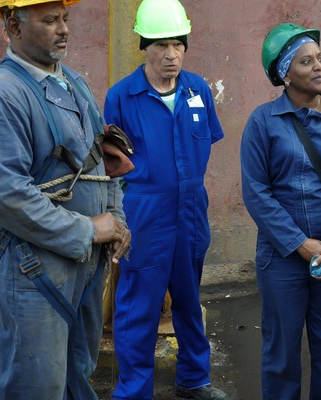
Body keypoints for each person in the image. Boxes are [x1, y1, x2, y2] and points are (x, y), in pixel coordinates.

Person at [0, 0, 132, 398]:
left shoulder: (73, 82)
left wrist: (116, 218)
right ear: (14, 26)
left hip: (83, 267)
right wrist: (88, 229)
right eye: (50, 20)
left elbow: (99, 163)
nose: (64, 30)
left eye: (66, 19)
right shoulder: (0, 96)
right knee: (34, 384)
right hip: (32, 270)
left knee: (76, 377)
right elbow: (3, 195)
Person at [102, 0, 226, 399]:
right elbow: (111, 165)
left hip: (191, 210)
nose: (171, 55)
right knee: (138, 305)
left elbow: (206, 143)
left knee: (190, 302)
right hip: (145, 212)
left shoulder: (198, 90)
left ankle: (194, 379)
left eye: (178, 45)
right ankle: (134, 390)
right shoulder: (122, 96)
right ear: (144, 47)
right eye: (161, 46)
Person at [240, 23, 321, 399]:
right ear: (284, 74)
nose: (319, 67)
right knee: (281, 357)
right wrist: (299, 244)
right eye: (306, 61)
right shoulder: (263, 124)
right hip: (281, 261)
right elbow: (257, 194)